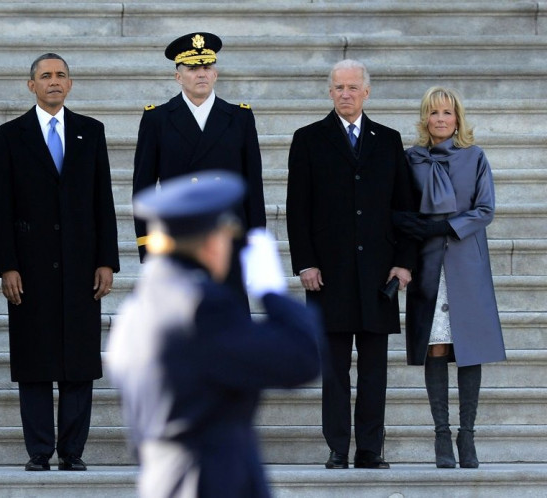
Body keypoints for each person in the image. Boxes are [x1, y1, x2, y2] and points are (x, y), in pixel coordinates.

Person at [109, 171, 323, 497]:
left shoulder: (135, 310)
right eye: (226, 235)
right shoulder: (201, 308)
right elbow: (303, 358)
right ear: (211, 244)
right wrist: (272, 293)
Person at [0, 53, 119, 472]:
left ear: (71, 83)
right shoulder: (11, 135)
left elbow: (104, 201)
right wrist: (7, 265)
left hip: (82, 266)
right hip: (30, 268)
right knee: (35, 361)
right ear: (31, 85)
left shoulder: (90, 132)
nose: (54, 82)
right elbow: (0, 207)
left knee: (79, 362)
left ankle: (73, 451)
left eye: (61, 75)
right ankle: (40, 450)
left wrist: (107, 261)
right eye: (45, 76)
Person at [286, 59, 417, 469]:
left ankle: (370, 450)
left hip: (379, 276)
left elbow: (405, 208)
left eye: (353, 87)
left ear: (366, 92)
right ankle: (338, 448)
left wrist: (403, 263)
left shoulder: (388, 140)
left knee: (375, 371)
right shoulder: (308, 139)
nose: (345, 93)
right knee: (335, 370)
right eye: (338, 87)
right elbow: (297, 209)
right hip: (328, 275)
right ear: (330, 92)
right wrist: (305, 263)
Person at [394, 87, 506, 468]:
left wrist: (446, 227)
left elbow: (485, 208)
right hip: (427, 266)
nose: (440, 119)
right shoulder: (411, 159)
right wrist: (414, 228)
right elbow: (401, 207)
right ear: (424, 119)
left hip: (465, 263)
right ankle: (442, 435)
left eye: (447, 112)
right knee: (436, 347)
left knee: (469, 348)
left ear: (457, 118)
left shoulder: (474, 157)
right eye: (433, 113)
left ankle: (467, 436)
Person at [132, 32, 265, 305]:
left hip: (228, 239)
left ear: (215, 74)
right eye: (192, 68)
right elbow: (143, 186)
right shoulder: (157, 119)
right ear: (178, 76)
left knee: (229, 331)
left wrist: (255, 245)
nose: (201, 74)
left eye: (207, 67)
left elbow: (253, 185)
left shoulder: (239, 117)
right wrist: (148, 245)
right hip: (178, 241)